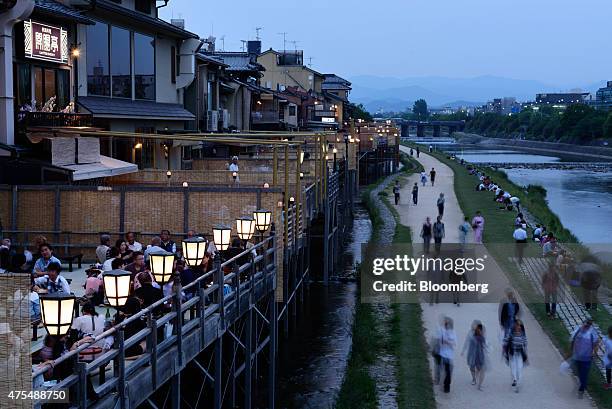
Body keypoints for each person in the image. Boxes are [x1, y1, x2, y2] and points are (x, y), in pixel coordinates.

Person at [570, 319, 599, 398]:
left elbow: (596, 343)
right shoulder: (578, 330)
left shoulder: (591, 333)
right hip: (579, 356)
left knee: (583, 374)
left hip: (586, 357)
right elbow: (572, 340)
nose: (586, 326)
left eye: (587, 325)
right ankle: (582, 385)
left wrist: (594, 353)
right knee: (580, 372)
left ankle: (581, 389)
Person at [503, 319, 528, 393]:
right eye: (517, 325)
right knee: (513, 368)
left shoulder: (523, 334)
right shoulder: (511, 334)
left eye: (520, 325)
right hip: (512, 354)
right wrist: (504, 350)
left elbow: (525, 343)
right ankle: (515, 380)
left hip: (519, 353)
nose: (518, 327)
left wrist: (525, 353)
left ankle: (518, 384)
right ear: (515, 326)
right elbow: (505, 341)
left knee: (519, 368)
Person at [462, 321, 488, 390]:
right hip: (472, 353)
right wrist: (463, 350)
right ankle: (474, 378)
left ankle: (478, 382)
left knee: (480, 368)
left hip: (480, 354)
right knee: (471, 367)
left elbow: (486, 344)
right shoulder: (470, 334)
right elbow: (466, 341)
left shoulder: (482, 334)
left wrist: (487, 349)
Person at [437, 317, 456, 393]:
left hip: (449, 355)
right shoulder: (441, 330)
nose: (446, 325)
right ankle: (443, 383)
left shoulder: (453, 332)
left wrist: (448, 342)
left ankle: (446, 385)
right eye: (445, 323)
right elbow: (439, 341)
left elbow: (455, 344)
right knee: (444, 369)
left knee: (448, 370)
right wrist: (441, 341)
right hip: (442, 354)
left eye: (447, 323)